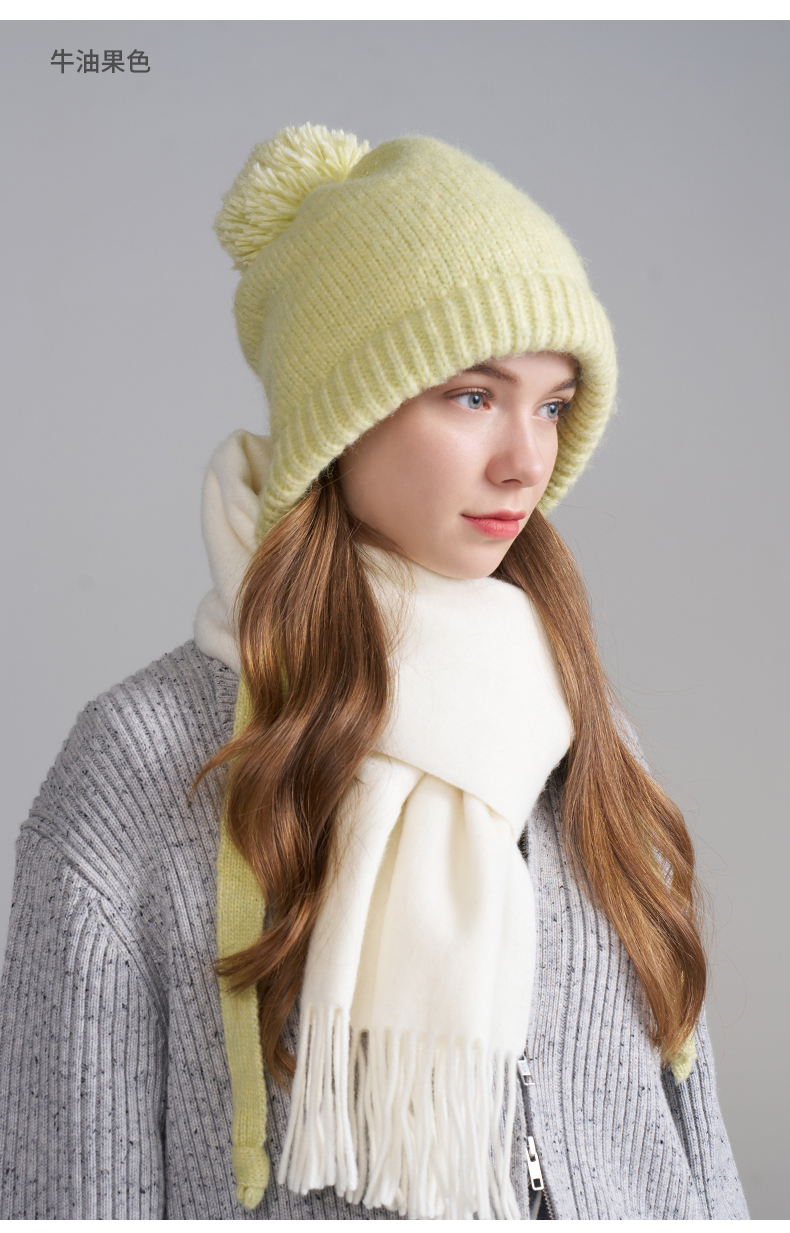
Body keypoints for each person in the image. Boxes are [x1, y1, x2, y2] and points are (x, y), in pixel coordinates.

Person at [0, 123, 748, 1220]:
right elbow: (66, 1183)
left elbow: (694, 1144)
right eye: (472, 395)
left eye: (551, 405)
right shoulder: (146, 759)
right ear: (341, 416)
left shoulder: (575, 724)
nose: (526, 460)